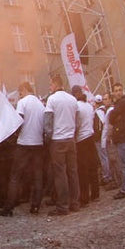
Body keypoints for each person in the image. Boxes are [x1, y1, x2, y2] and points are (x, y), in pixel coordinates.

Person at [0, 81, 45, 217]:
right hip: (38, 143)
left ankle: (9, 208)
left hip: (24, 143)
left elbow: (19, 121)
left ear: (24, 90)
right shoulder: (40, 104)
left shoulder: (23, 102)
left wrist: (15, 135)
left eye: (20, 92)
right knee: (38, 177)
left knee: (15, 177)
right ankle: (35, 206)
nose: (19, 95)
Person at [43, 74, 79, 216]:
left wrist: (48, 139)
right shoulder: (72, 99)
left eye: (51, 85)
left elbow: (47, 123)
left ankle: (63, 206)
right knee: (73, 172)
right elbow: (77, 120)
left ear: (56, 84)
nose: (50, 87)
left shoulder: (52, 99)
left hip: (58, 140)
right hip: (70, 140)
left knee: (60, 174)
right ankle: (74, 203)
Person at [72, 86, 99, 207]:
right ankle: (95, 194)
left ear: (75, 94)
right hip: (90, 137)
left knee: (83, 169)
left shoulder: (77, 106)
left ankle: (84, 198)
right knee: (93, 166)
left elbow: (77, 125)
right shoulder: (89, 106)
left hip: (81, 140)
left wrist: (74, 136)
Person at [109, 82, 125, 198]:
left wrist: (115, 117)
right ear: (113, 92)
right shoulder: (121, 103)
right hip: (122, 136)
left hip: (122, 137)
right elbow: (113, 119)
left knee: (123, 164)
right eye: (116, 90)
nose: (118, 92)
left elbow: (112, 117)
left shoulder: (122, 103)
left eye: (120, 90)